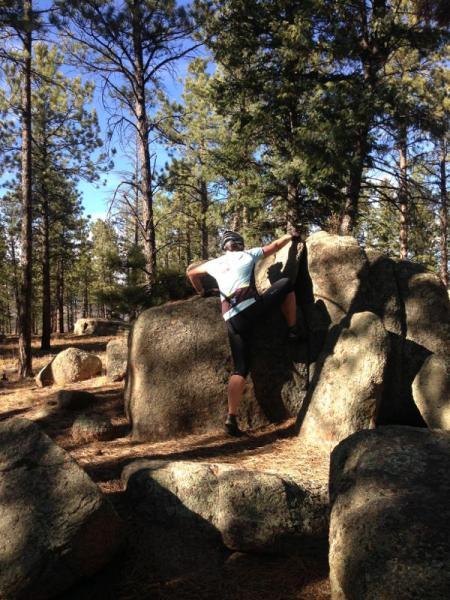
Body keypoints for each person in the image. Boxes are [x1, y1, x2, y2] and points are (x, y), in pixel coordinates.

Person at [187, 229, 301, 437]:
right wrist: (290, 237)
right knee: (286, 285)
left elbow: (191, 273)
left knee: (240, 368)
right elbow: (274, 246)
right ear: (239, 244)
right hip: (251, 310)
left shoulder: (214, 263)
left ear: (224, 247)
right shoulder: (247, 254)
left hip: (231, 319)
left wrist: (201, 292)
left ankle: (231, 417)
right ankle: (293, 329)